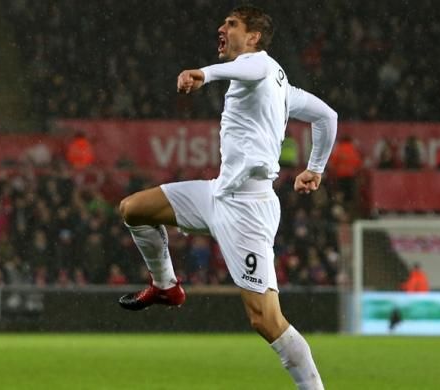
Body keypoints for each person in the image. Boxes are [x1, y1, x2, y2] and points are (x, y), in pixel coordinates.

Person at [116, 6, 335, 389]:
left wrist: (203, 75)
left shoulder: (260, 66)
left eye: (232, 24)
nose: (222, 28)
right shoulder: (282, 86)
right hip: (218, 194)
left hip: (249, 209)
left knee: (265, 320)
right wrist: (314, 168)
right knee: (134, 210)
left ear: (252, 38)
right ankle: (166, 286)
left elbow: (247, 70)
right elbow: (327, 116)